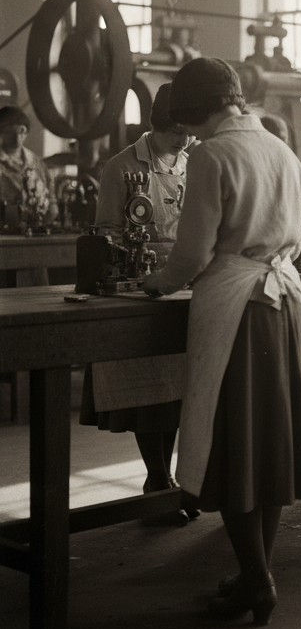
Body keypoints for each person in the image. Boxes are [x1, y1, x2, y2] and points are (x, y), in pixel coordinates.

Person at [142, 58, 301, 626]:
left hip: (239, 306)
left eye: (188, 122)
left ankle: (259, 579)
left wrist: (154, 282)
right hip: (285, 301)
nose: (188, 133)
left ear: (196, 112)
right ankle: (254, 572)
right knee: (268, 444)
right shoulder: (281, 149)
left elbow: (193, 255)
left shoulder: (213, 155)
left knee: (235, 442)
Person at [80, 84, 196, 523]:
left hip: (184, 283)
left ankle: (167, 481)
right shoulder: (122, 166)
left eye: (187, 130)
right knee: (152, 390)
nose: (182, 139)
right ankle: (157, 478)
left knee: (179, 388)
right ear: (155, 125)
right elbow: (106, 227)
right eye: (174, 131)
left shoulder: (190, 162)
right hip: (142, 285)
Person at [0, 105, 57, 230]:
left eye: (21, 131)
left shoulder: (36, 162)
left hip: (37, 231)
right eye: (10, 132)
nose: (17, 137)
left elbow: (52, 200)